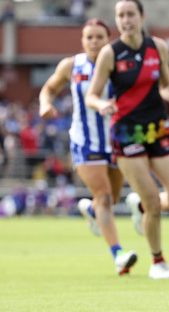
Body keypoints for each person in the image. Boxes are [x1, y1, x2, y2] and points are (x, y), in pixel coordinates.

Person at [85, 0, 169, 280]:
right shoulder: (110, 53)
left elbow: (166, 85)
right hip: (126, 132)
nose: (125, 20)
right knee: (155, 203)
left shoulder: (158, 47)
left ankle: (139, 205)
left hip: (157, 129)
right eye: (120, 16)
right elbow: (91, 94)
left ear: (141, 17)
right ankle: (158, 262)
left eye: (130, 14)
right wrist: (101, 105)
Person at [39, 18, 137, 276]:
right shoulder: (72, 65)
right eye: (89, 37)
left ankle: (91, 209)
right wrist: (44, 104)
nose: (94, 41)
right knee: (104, 196)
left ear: (108, 39)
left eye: (99, 37)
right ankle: (118, 255)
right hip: (85, 141)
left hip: (116, 141)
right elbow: (48, 88)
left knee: (112, 199)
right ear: (82, 41)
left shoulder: (119, 65)